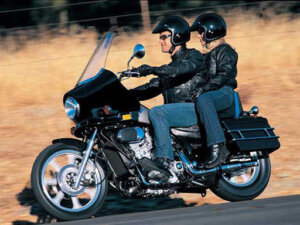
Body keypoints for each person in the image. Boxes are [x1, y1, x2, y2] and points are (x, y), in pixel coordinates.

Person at [129, 16, 205, 179]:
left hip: (195, 109)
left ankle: (164, 163)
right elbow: (152, 87)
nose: (160, 41)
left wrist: (151, 69)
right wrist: (124, 94)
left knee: (157, 112)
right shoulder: (169, 68)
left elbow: (178, 70)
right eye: (160, 38)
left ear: (176, 36)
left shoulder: (194, 57)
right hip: (178, 113)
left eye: (164, 37)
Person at [190, 13, 238, 169]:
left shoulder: (225, 50)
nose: (199, 36)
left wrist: (204, 89)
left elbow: (225, 74)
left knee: (205, 99)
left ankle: (218, 148)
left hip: (224, 93)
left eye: (201, 32)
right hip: (212, 93)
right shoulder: (205, 55)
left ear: (211, 31)